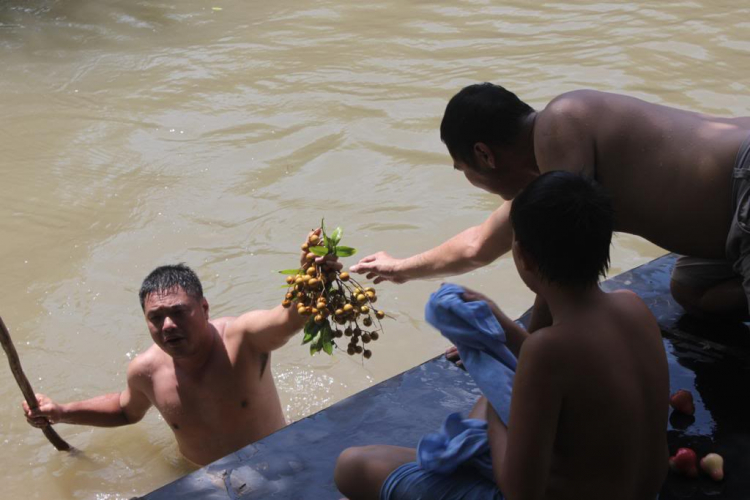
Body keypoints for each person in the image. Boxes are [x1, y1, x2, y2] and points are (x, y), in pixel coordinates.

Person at [335, 172, 670, 500]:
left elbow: (520, 492)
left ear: (522, 255)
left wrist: (496, 390)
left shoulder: (547, 351)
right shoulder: (633, 307)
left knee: (354, 466)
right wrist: (497, 320)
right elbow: (576, 373)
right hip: (640, 490)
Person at [351, 83, 750, 319]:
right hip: (730, 215)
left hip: (744, 180)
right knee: (691, 291)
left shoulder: (560, 123)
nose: (471, 181)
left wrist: (520, 339)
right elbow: (478, 245)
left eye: (464, 169)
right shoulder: (553, 173)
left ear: (484, 155)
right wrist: (399, 268)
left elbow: (560, 268)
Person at [22, 233, 335, 466]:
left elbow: (289, 318)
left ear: (204, 307)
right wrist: (61, 412)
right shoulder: (146, 371)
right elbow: (123, 410)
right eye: (156, 318)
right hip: (200, 479)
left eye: (179, 311)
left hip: (275, 463)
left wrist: (314, 278)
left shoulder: (243, 339)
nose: (168, 325)